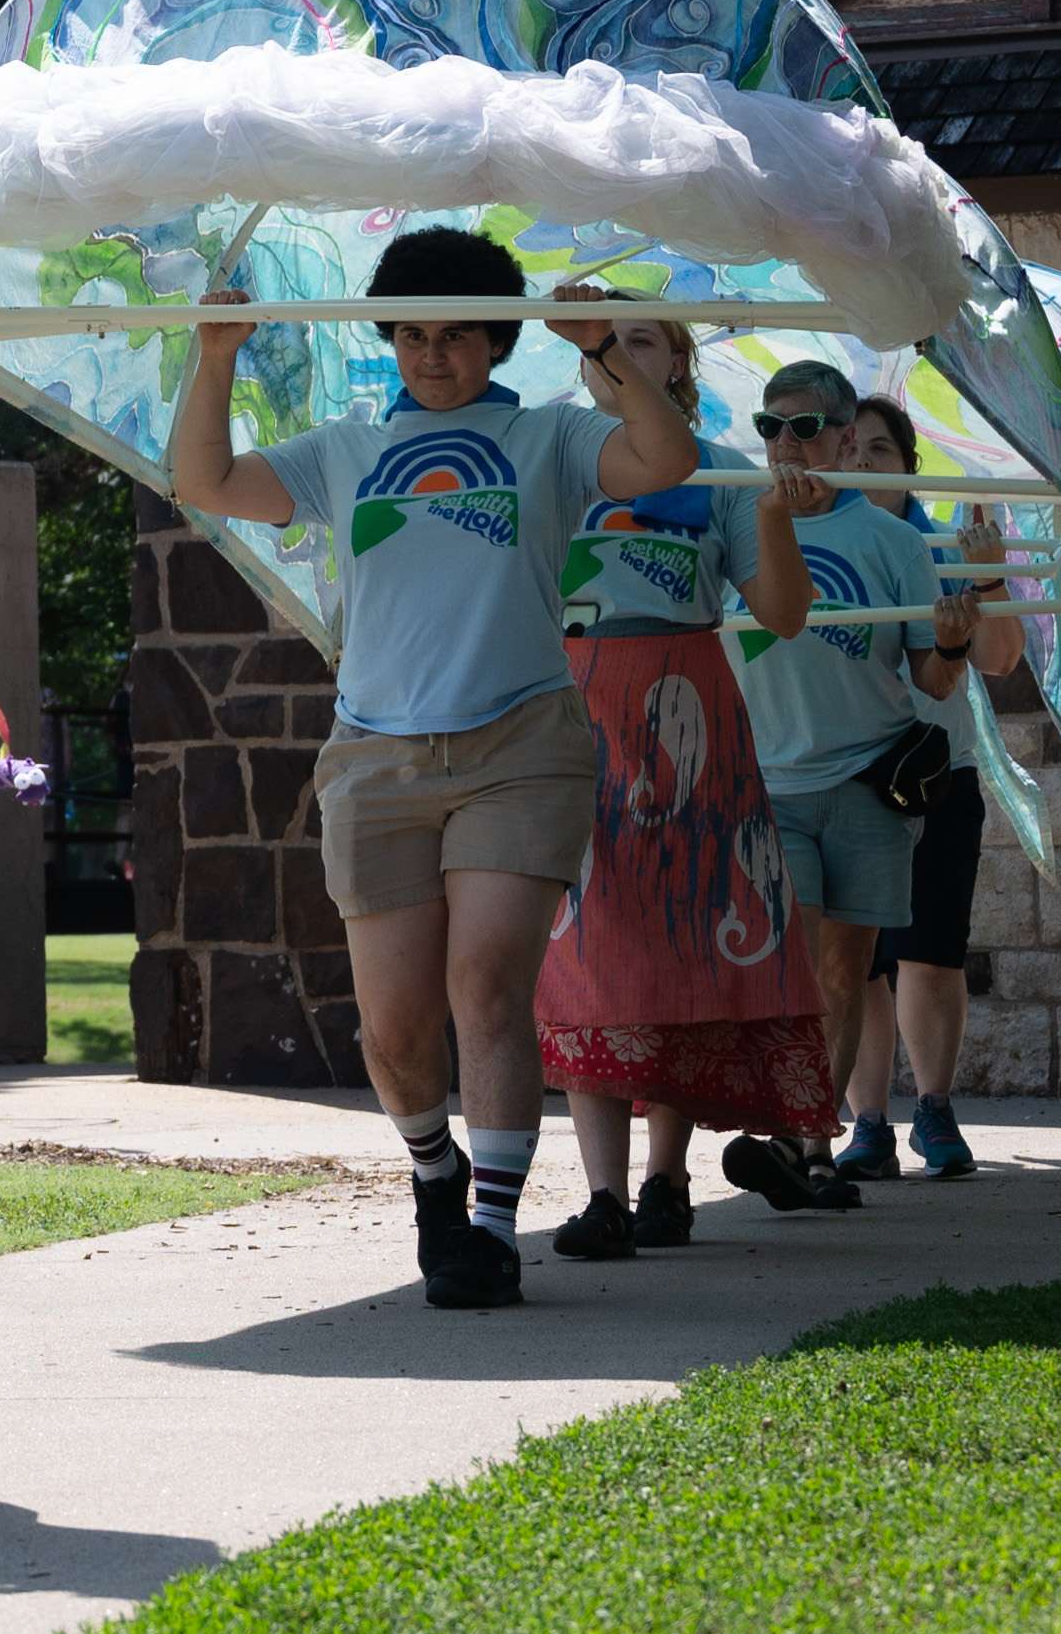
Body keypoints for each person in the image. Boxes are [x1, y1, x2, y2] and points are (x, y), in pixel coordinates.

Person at [172, 230, 701, 1312]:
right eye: (412, 331)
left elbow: (667, 460)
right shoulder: (347, 448)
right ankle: (436, 1175)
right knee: (396, 1028)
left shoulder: (551, 435)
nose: (432, 351)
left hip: (522, 746)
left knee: (489, 984)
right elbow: (206, 479)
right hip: (375, 754)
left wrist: (605, 346)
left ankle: (492, 1231)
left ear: (497, 335)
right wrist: (215, 353)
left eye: (456, 330)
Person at [532, 319, 834, 1259]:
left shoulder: (725, 471)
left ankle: (666, 1183)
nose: (618, 353)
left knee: (682, 934)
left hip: (686, 711)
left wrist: (776, 516)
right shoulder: (544, 450)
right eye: (603, 340)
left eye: (644, 340)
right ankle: (601, 1194)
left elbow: (783, 614)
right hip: (562, 700)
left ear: (678, 364)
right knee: (581, 939)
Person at [718, 360, 984, 1213]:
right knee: (797, 960)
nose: (784, 444)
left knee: (842, 972)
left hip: (870, 780)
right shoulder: (735, 521)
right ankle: (795, 1131)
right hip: (771, 781)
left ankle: (808, 1143)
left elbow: (931, 686)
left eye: (802, 427)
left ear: (840, 436)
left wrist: (949, 645)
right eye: (769, 426)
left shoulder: (895, 542)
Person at [837, 396, 1005, 1183]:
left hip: (940, 772)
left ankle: (932, 1109)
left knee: (931, 953)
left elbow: (1000, 659)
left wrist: (990, 577)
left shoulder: (943, 544)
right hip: (844, 775)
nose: (865, 462)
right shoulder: (812, 546)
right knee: (861, 961)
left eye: (879, 448)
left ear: (908, 462)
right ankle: (865, 1121)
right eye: (852, 448)